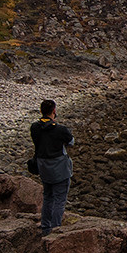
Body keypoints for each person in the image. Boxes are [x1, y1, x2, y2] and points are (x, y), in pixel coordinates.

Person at [29, 99, 74, 231]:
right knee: (59, 199)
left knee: (48, 197)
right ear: (54, 111)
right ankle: (56, 228)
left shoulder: (35, 127)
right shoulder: (60, 130)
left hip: (43, 167)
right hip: (60, 167)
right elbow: (71, 141)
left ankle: (45, 227)